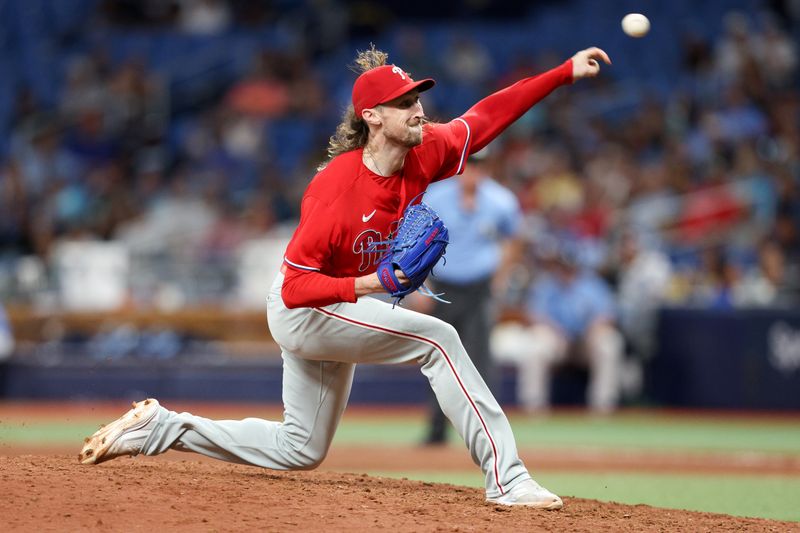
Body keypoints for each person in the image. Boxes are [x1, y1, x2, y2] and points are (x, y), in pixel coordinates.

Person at [80, 44, 611, 508]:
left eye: (418, 98)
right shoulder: (335, 190)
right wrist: (371, 285)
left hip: (340, 306)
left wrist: (562, 72)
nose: (418, 110)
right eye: (405, 103)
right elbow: (294, 289)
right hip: (305, 308)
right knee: (439, 340)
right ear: (373, 116)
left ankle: (162, 427)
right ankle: (507, 478)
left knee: (300, 449)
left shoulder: (425, 152)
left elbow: (487, 116)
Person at [420, 147, 523, 445]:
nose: (474, 170)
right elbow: (418, 243)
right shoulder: (437, 196)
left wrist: (500, 279)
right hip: (443, 287)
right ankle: (437, 430)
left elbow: (513, 240)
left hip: (479, 287)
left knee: (480, 360)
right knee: (438, 357)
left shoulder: (501, 200)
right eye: (470, 164)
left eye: (480, 164)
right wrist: (420, 285)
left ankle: (486, 434)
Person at [493, 240, 624, 413]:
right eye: (564, 266)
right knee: (536, 344)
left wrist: (594, 327)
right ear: (558, 266)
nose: (567, 270)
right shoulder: (547, 285)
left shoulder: (592, 284)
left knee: (610, 342)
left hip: (586, 341)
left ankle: (603, 406)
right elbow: (533, 315)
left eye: (571, 266)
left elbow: (608, 315)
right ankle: (533, 407)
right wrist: (555, 329)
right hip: (557, 340)